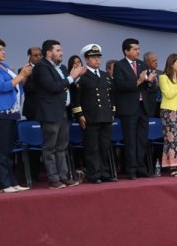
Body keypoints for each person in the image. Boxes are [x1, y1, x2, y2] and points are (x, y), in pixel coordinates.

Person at [0, 37, 34, 193]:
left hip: (11, 112)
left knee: (8, 149)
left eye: (3, 49)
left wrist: (24, 75)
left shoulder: (4, 66)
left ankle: (12, 181)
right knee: (0, 149)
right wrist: (21, 74)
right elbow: (3, 87)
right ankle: (4, 184)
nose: (3, 52)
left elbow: (17, 85)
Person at [33, 40, 84, 189]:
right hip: (49, 113)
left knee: (62, 146)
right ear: (49, 52)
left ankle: (64, 176)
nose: (61, 53)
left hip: (63, 111)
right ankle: (53, 179)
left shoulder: (61, 67)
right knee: (50, 147)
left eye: (61, 50)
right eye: (58, 50)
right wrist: (71, 77)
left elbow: (69, 85)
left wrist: (77, 76)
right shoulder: (41, 67)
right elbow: (52, 87)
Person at [113, 38, 157, 179]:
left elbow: (148, 87)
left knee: (142, 139)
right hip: (128, 108)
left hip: (142, 106)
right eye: (135, 49)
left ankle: (141, 167)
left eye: (138, 49)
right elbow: (120, 86)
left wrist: (149, 82)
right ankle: (131, 169)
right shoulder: (120, 66)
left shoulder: (142, 64)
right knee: (130, 140)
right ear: (126, 51)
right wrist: (138, 81)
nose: (138, 51)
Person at [71, 44, 115, 183]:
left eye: (98, 57)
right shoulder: (82, 76)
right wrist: (79, 115)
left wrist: (112, 111)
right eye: (93, 58)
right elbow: (76, 98)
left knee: (104, 146)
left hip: (105, 116)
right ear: (86, 59)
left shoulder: (105, 75)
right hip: (90, 116)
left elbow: (111, 95)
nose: (97, 60)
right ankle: (94, 174)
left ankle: (105, 173)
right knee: (92, 147)